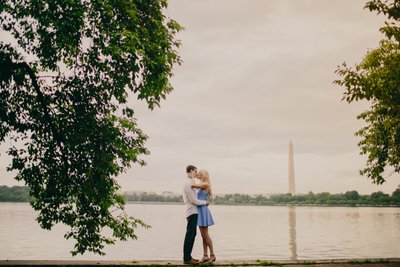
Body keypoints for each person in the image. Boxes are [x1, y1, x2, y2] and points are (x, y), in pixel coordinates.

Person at [182, 165, 208, 265]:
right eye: (195, 171)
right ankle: (187, 258)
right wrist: (205, 202)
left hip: (193, 212)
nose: (197, 174)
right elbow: (193, 200)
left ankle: (188, 256)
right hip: (192, 212)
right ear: (190, 171)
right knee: (190, 234)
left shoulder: (190, 184)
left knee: (192, 234)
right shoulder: (187, 184)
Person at [191, 169, 216, 263]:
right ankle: (205, 255)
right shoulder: (202, 183)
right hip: (200, 209)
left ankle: (212, 255)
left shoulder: (206, 184)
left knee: (205, 235)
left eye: (200, 174)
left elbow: (192, 185)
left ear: (204, 175)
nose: (198, 175)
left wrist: (192, 176)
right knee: (203, 235)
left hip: (203, 210)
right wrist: (195, 176)